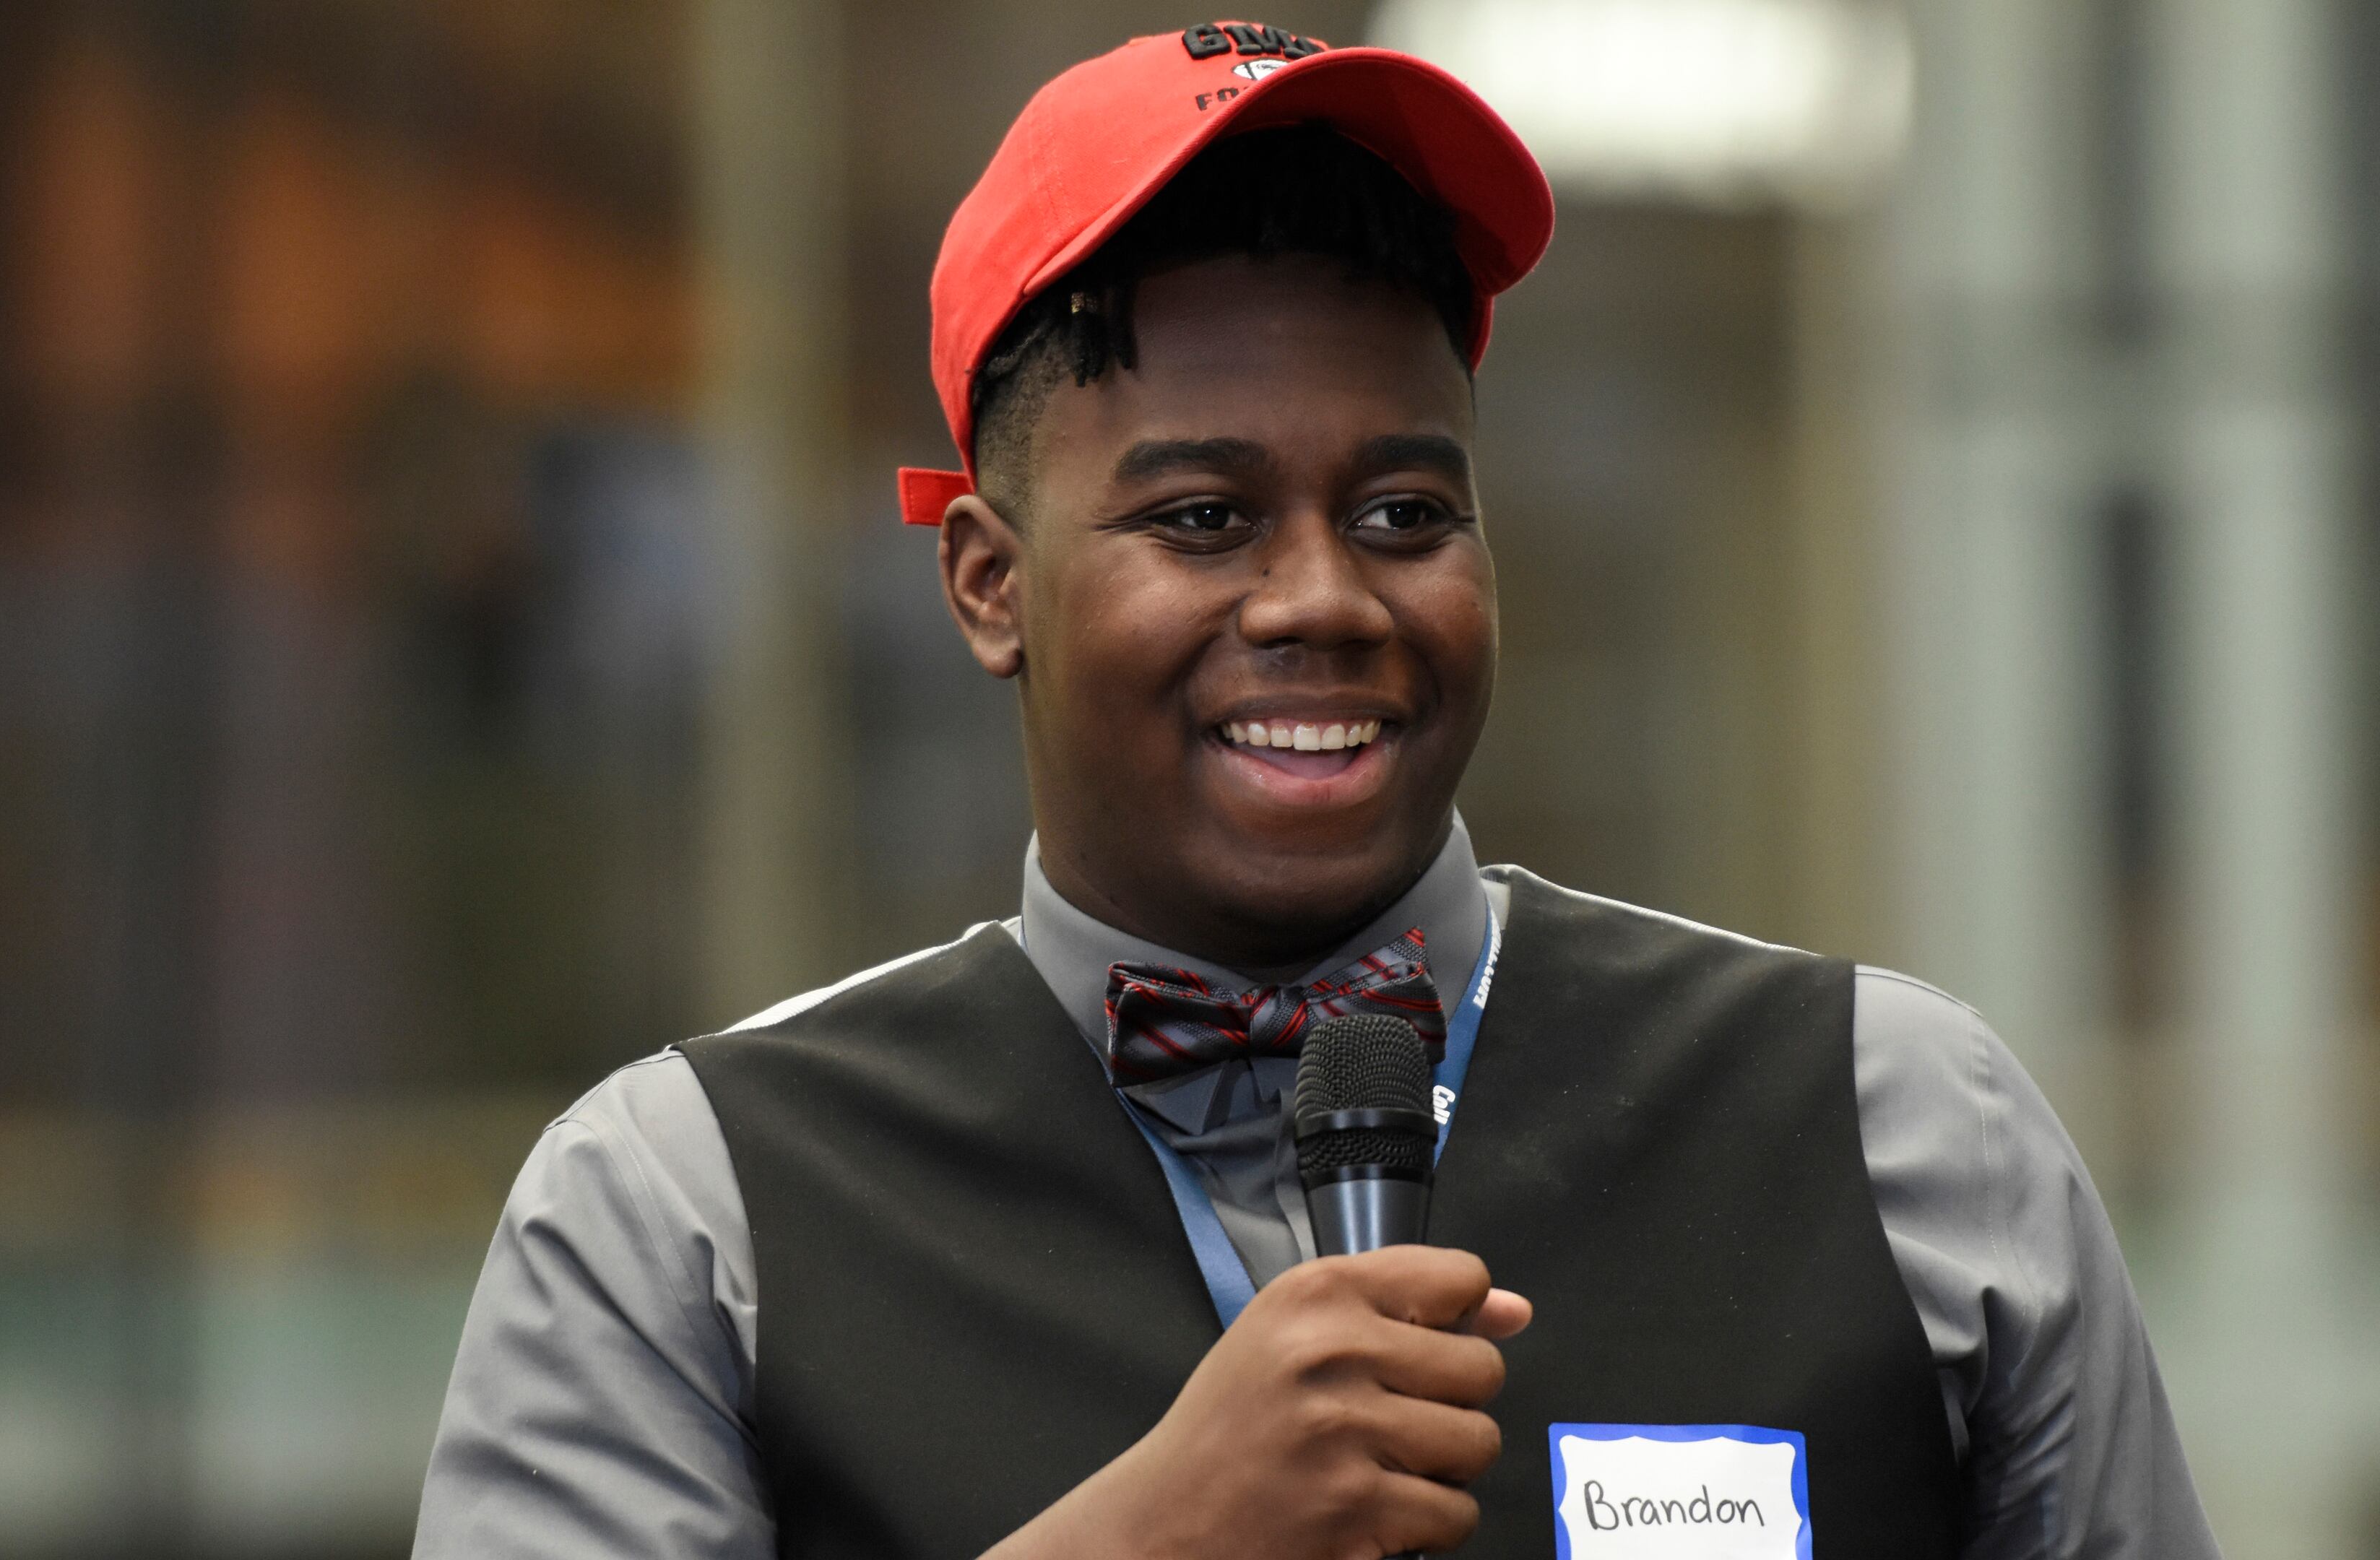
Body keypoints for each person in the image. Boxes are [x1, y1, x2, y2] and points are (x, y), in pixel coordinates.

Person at [412, 22, 2218, 1560]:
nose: (1326, 599)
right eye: (1202, 518)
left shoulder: (1903, 1130)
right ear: (985, 584)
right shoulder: (683, 1215)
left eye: (1405, 515)